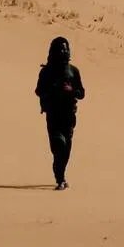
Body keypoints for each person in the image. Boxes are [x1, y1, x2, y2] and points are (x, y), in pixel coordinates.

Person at [34, 36, 85, 190]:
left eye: (65, 48)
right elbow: (38, 90)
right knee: (58, 145)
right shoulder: (46, 71)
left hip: (69, 115)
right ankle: (60, 178)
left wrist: (71, 90)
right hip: (53, 114)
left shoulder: (73, 71)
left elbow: (81, 93)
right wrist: (53, 89)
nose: (63, 51)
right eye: (60, 49)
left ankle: (61, 176)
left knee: (66, 148)